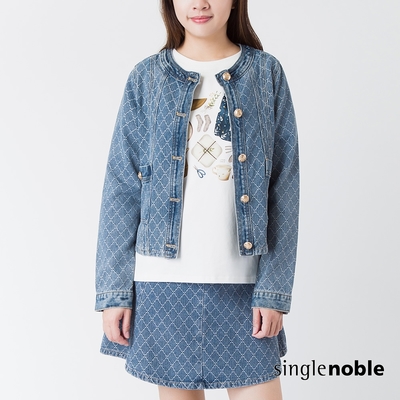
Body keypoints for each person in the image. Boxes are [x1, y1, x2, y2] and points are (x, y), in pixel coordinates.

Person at [95, 1, 299, 399]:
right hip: (162, 284)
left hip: (245, 286)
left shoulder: (265, 73)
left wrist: (274, 289)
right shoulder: (147, 77)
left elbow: (284, 187)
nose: (200, 3)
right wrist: (114, 291)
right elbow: (121, 187)